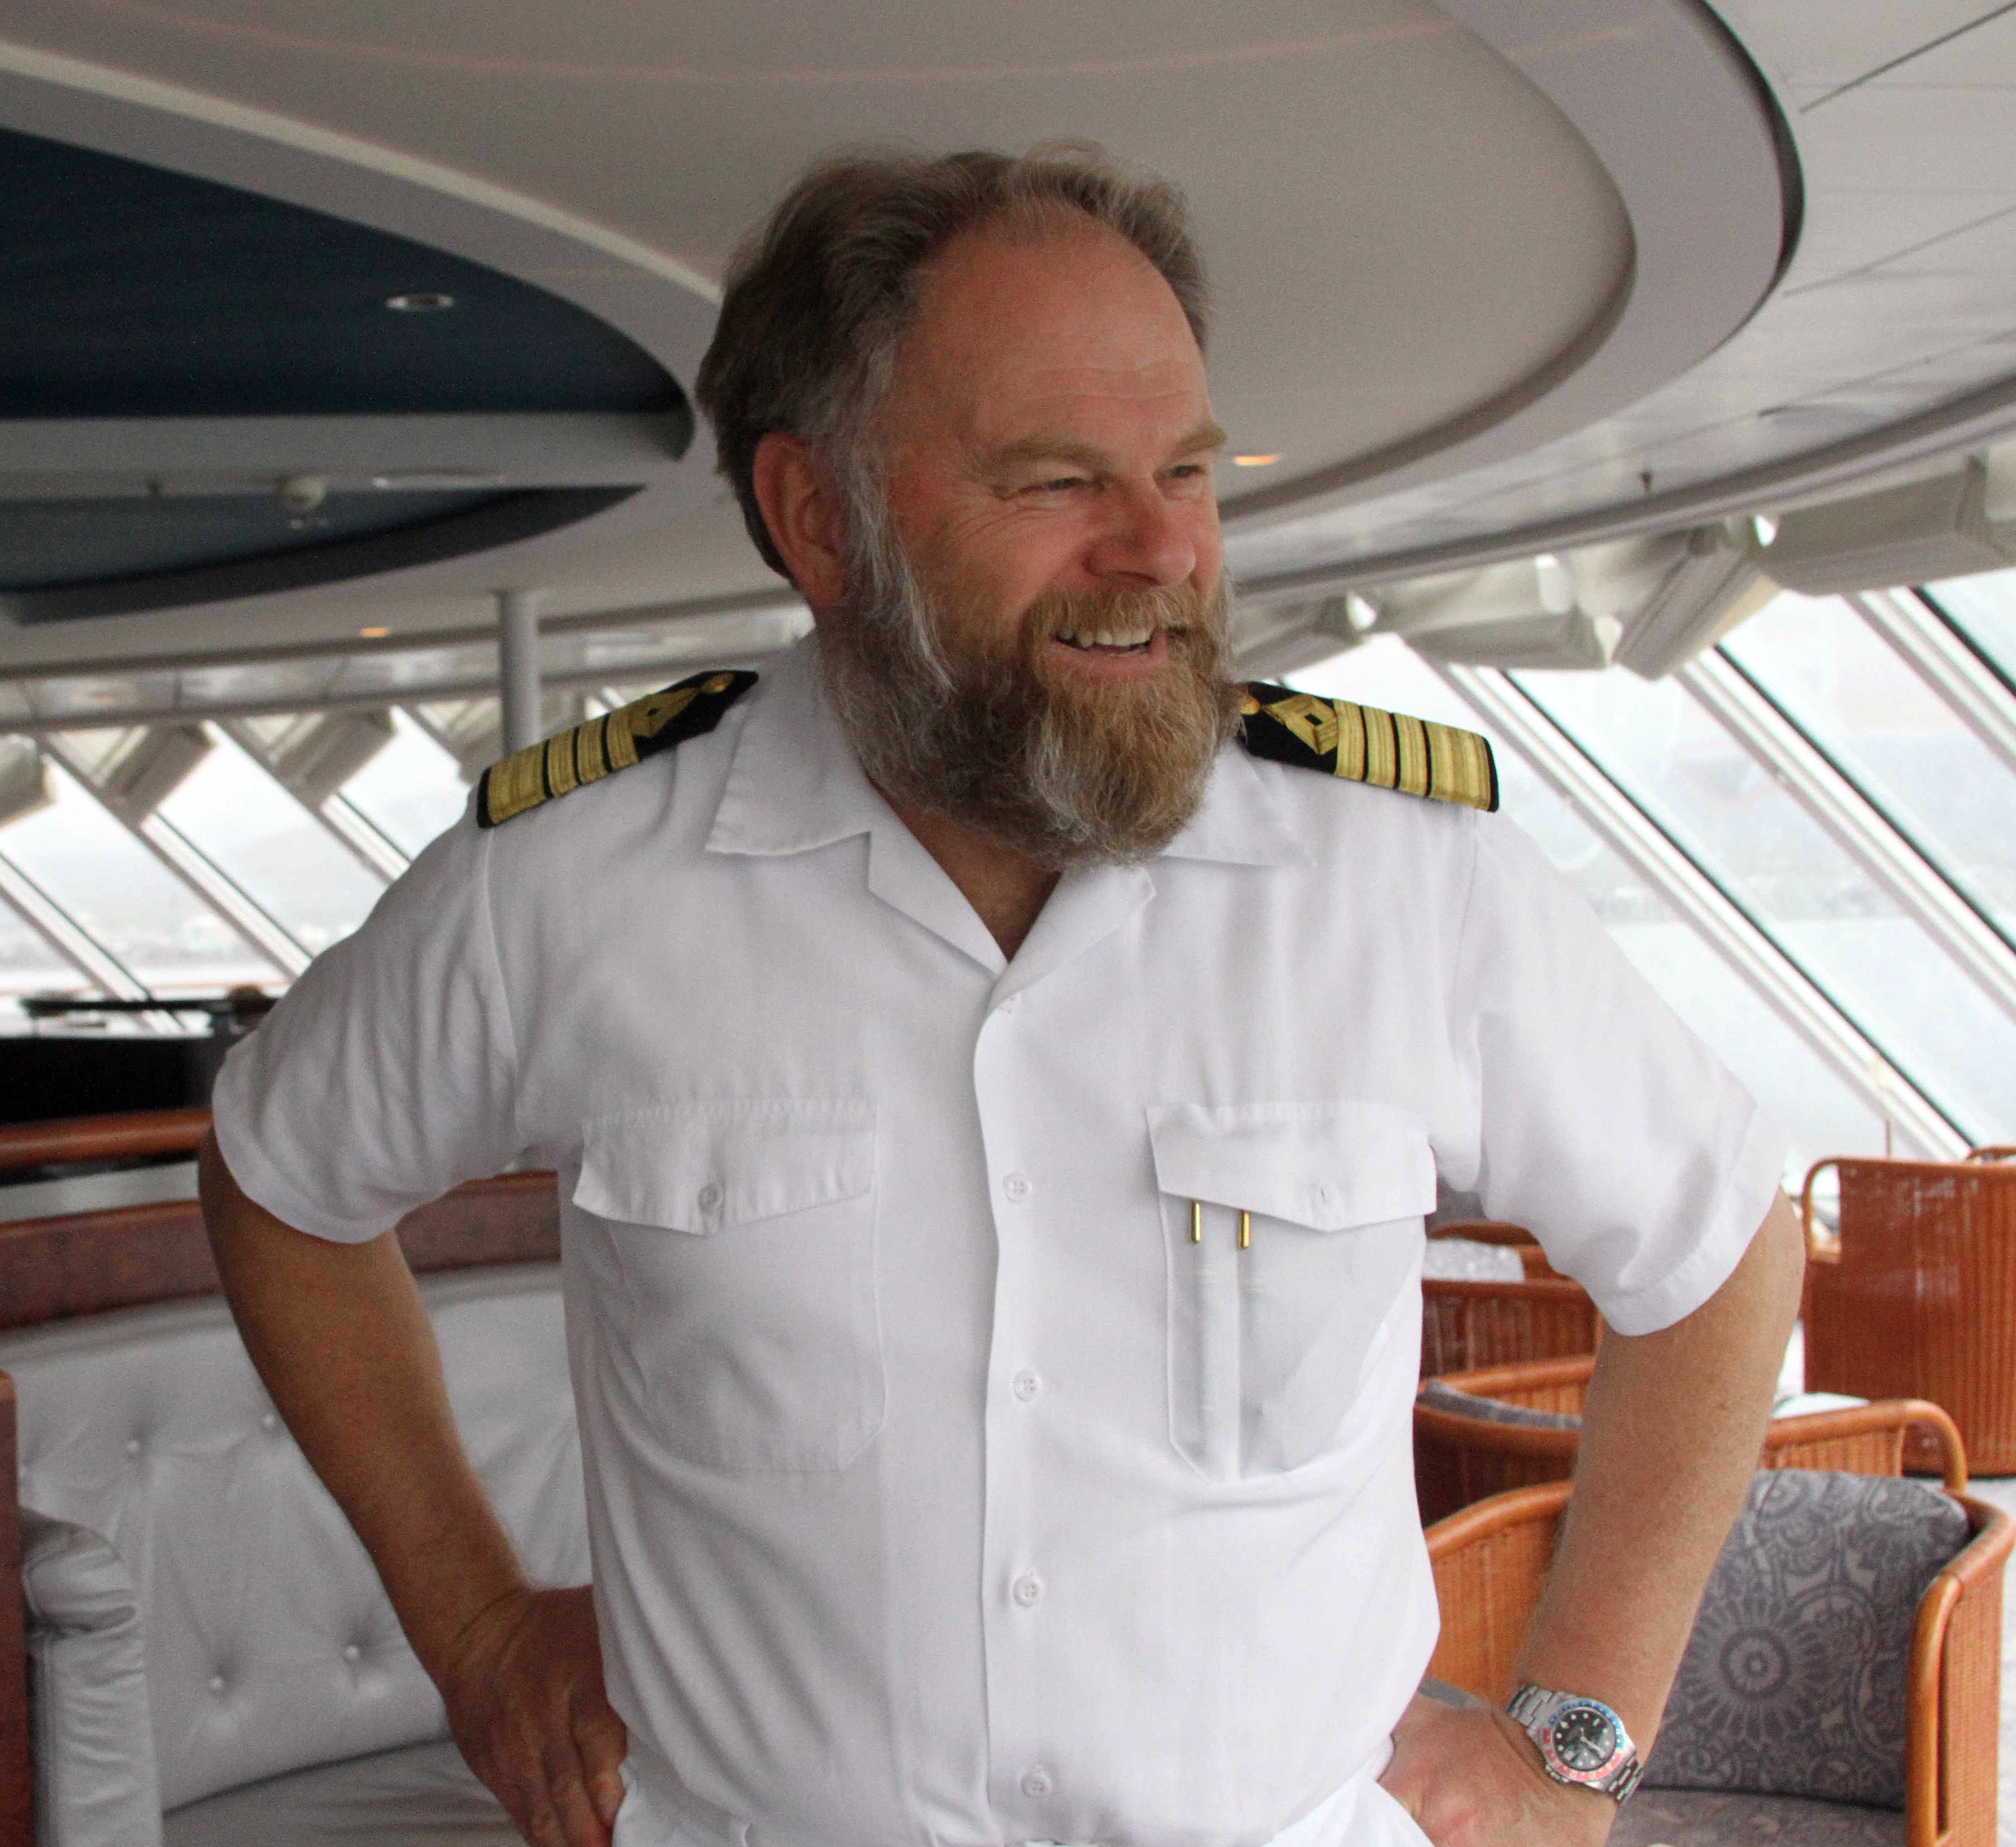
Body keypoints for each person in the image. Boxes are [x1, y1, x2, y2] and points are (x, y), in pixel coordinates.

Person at [201, 144, 1803, 1847]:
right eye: (1054, 483)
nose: (1159, 550)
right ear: (818, 518)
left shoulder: (1397, 883)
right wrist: (475, 1630)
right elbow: (281, 1182)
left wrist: (1572, 1746)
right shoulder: (572, 887)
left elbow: (1715, 1252)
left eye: (1184, 469)